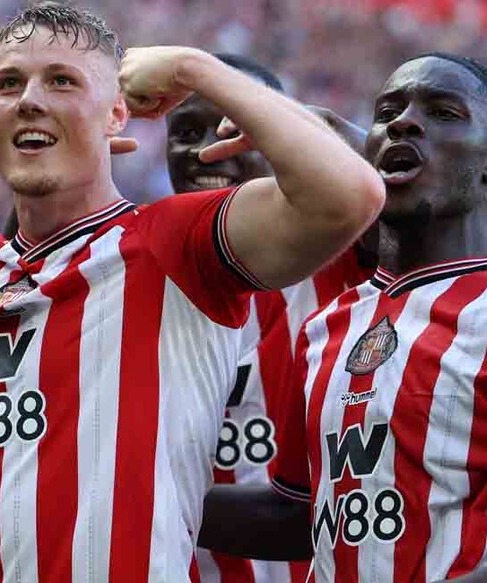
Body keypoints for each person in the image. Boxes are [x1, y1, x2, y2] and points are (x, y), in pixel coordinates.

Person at [0, 3, 384, 580]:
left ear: (117, 115)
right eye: (8, 84)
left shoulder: (174, 245)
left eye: (62, 81)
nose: (30, 100)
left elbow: (349, 195)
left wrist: (197, 69)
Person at [198, 52, 487, 582]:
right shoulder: (324, 328)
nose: (403, 120)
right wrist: (130, 491)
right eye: (388, 110)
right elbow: (299, 514)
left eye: (443, 112)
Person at [161, 53, 371, 583]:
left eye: (237, 129)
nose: (207, 151)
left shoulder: (346, 250)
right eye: (186, 131)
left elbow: (398, 178)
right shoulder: (135, 269)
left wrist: (296, 123)